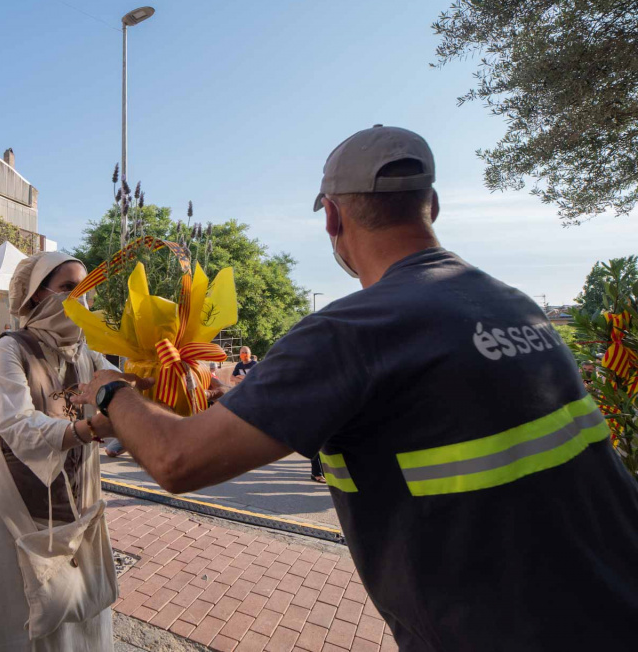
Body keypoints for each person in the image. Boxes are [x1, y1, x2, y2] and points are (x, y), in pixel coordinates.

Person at [73, 126, 638, 651]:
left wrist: (112, 392)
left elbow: (178, 462)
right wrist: (253, 404)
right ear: (432, 206)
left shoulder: (349, 332)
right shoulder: (516, 306)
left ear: (333, 219)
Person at [0, 252, 117, 652]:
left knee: (78, 619)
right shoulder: (9, 348)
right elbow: (17, 426)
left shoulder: (87, 355)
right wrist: (89, 428)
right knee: (13, 630)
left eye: (87, 291)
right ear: (35, 296)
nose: (81, 300)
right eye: (69, 289)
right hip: (9, 515)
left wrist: (171, 380)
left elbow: (125, 391)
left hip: (76, 511)